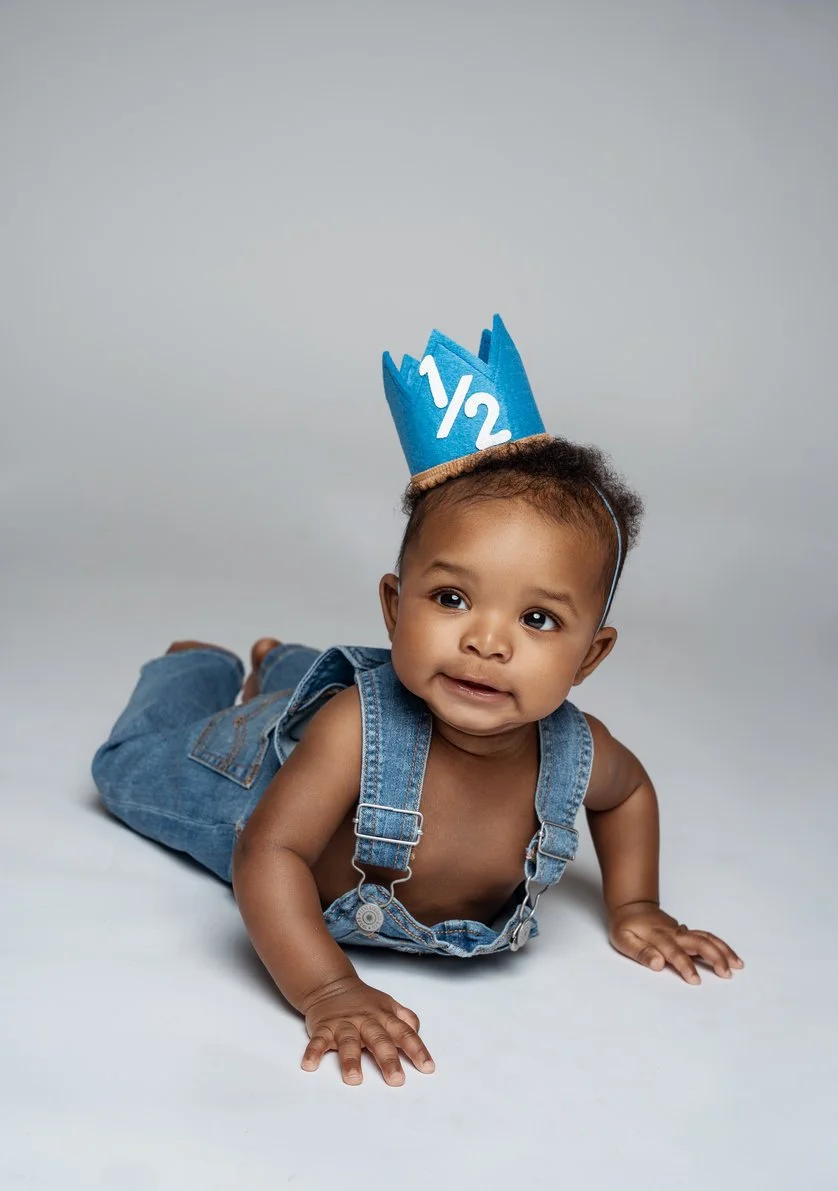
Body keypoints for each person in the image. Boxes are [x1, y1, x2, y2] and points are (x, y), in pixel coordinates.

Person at [92, 317, 743, 1087]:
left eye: (537, 619)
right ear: (395, 608)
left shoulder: (579, 751)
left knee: (323, 691)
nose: (487, 642)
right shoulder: (352, 729)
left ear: (590, 655)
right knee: (126, 768)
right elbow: (268, 851)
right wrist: (327, 987)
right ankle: (196, 666)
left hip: (330, 726)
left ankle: (285, 668)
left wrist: (636, 903)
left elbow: (628, 793)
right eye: (452, 597)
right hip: (247, 783)